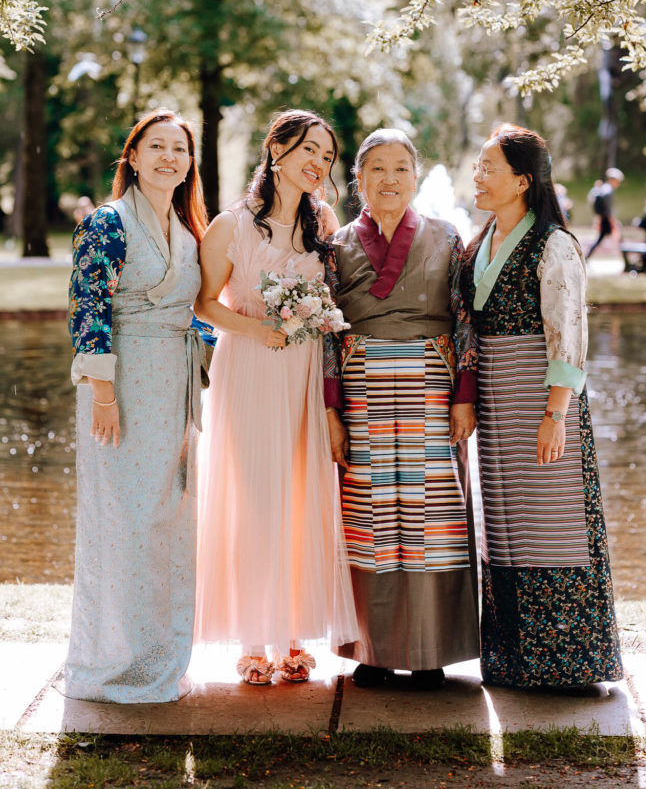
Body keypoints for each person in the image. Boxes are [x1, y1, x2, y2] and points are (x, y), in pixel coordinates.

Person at [194, 110, 358, 685]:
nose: (318, 164)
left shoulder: (326, 222)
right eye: (309, 150)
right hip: (249, 367)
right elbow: (204, 303)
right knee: (257, 499)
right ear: (277, 151)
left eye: (328, 157)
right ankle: (253, 640)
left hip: (307, 372)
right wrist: (256, 328)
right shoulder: (231, 225)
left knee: (302, 495)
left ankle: (293, 635)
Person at [461, 124, 623, 689]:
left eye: (488, 167)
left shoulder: (554, 243)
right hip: (497, 405)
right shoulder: (481, 242)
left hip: (540, 402)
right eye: (478, 166)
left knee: (554, 524)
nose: (477, 176)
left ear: (523, 181)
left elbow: (568, 336)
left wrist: (555, 414)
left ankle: (571, 663)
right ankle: (514, 660)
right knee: (505, 527)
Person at [325, 129, 479, 691]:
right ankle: (373, 648)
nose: (389, 180)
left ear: (416, 177)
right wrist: (331, 409)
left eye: (401, 169)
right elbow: (325, 334)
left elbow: (464, 321)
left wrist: (465, 395)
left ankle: (429, 648)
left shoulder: (446, 236)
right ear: (359, 179)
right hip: (362, 385)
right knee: (369, 513)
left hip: (431, 385)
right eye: (377, 170)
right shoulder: (337, 245)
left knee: (431, 511)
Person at [65, 110, 208, 702]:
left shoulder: (183, 225)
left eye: (179, 149)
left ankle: (160, 654)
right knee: (121, 519)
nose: (169, 158)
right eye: (157, 147)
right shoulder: (108, 221)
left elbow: (189, 313)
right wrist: (102, 391)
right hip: (121, 386)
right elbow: (87, 305)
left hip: (173, 381)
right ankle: (111, 663)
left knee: (167, 518)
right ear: (134, 156)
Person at [585, 167, 624, 259]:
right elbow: (608, 208)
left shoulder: (603, 189)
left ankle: (587, 257)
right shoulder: (608, 190)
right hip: (606, 220)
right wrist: (613, 221)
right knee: (617, 238)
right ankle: (587, 257)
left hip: (604, 219)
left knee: (602, 239)